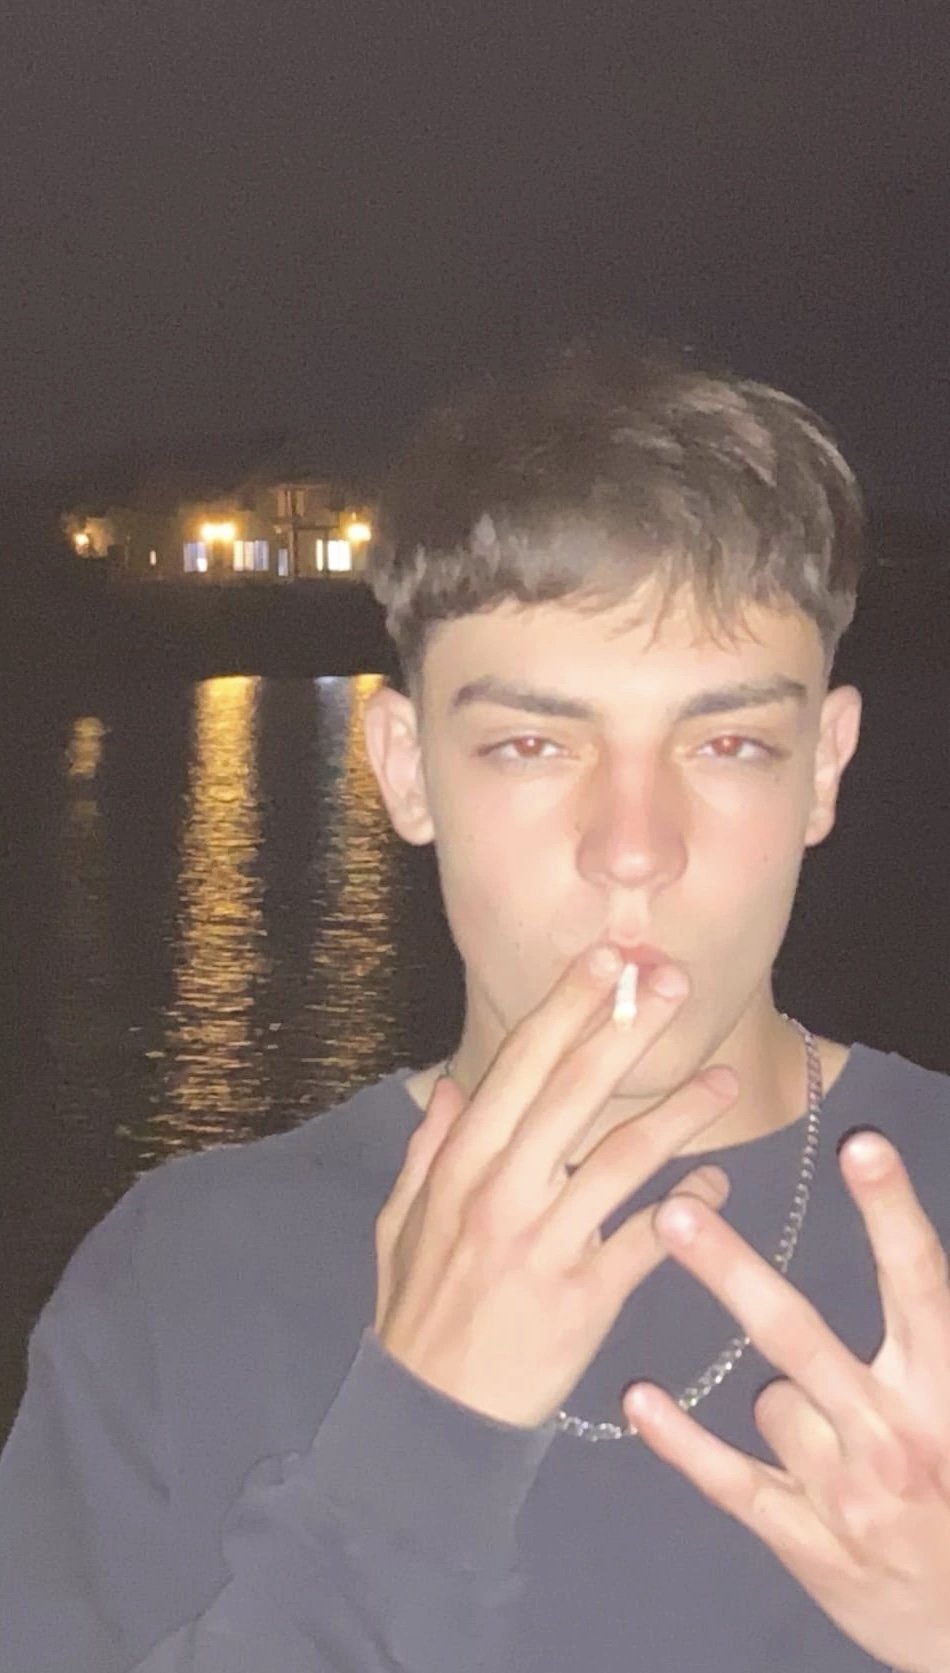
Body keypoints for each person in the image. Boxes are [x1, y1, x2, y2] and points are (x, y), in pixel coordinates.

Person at [1, 342, 948, 1673]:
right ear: (406, 769)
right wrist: (416, 1454)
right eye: (532, 745)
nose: (634, 847)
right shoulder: (175, 1286)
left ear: (824, 770)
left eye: (727, 742)